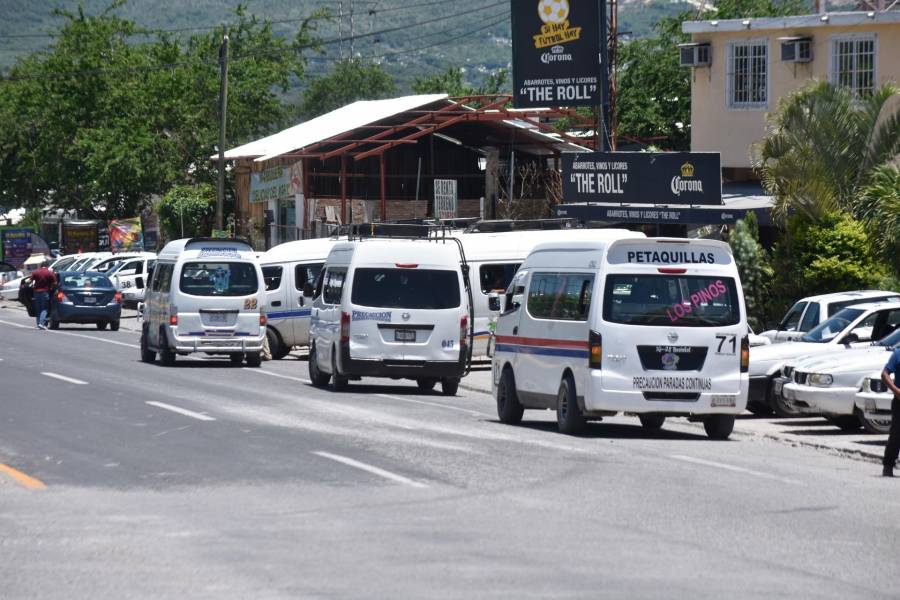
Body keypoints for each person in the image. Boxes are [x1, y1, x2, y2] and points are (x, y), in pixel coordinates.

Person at [880, 347, 900, 477]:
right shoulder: (898, 353)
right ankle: (888, 465)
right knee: (896, 435)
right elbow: (884, 374)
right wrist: (896, 390)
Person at [30, 260, 57, 330]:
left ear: (41, 266)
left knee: (38, 308)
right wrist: (51, 287)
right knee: (44, 309)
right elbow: (55, 283)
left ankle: (38, 323)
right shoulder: (49, 273)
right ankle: (41, 323)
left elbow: (29, 281)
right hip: (45, 292)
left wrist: (25, 287)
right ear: (47, 266)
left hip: (36, 293)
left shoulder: (35, 272)